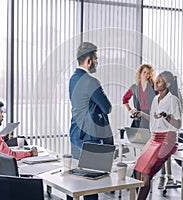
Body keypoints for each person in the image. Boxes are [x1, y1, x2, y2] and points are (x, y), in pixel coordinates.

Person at [68, 42, 114, 200]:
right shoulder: (91, 81)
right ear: (88, 61)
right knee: (91, 186)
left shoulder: (73, 79)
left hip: (75, 135)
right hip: (90, 138)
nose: (97, 62)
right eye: (96, 59)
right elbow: (107, 107)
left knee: (75, 183)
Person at [134, 71, 182, 200]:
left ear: (168, 84)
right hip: (154, 138)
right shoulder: (156, 99)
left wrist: (166, 116)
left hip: (167, 140)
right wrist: (141, 114)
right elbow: (155, 120)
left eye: (160, 80)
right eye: (157, 79)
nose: (156, 82)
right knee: (137, 170)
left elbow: (177, 124)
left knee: (147, 173)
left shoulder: (173, 100)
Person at [122, 64, 156, 128]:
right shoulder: (134, 87)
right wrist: (130, 110)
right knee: (136, 136)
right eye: (144, 72)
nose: (146, 75)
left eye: (148, 73)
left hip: (150, 117)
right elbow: (125, 99)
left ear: (150, 75)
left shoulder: (154, 87)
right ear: (140, 73)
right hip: (138, 117)